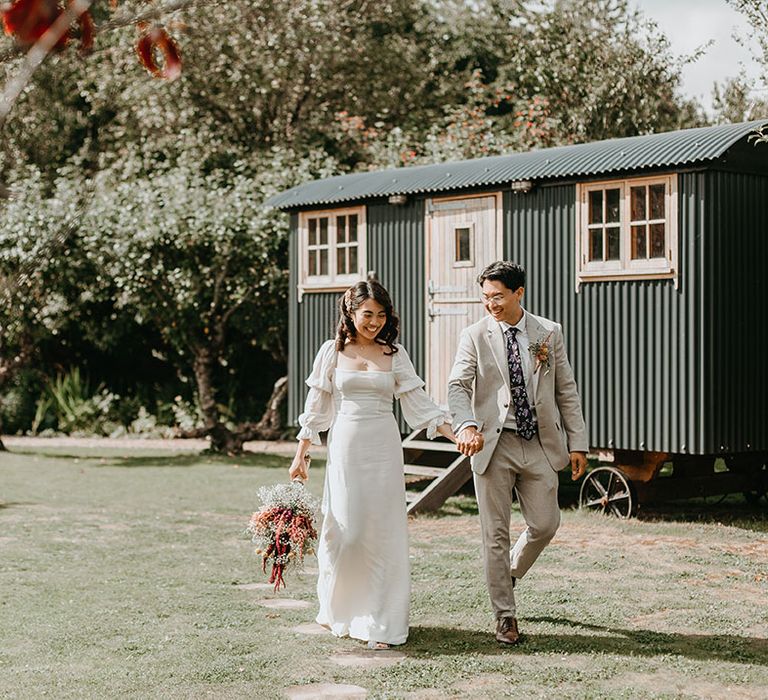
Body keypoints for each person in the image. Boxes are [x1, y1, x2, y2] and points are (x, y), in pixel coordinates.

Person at [289, 279, 454, 649]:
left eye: (381, 315)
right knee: (346, 532)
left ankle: (381, 622)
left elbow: (420, 405)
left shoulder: (395, 354)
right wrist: (301, 455)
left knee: (382, 533)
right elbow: (316, 408)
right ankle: (339, 610)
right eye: (368, 314)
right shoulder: (332, 352)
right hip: (346, 445)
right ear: (350, 312)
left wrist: (455, 434)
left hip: (383, 445)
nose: (375, 322)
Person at [447, 261, 588, 645]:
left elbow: (566, 390)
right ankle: (504, 616)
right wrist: (466, 425)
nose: (490, 303)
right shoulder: (474, 335)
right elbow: (458, 385)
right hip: (494, 445)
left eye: (497, 296)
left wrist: (578, 443)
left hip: (540, 443)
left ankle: (508, 572)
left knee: (546, 524)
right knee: (495, 533)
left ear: (518, 293)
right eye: (485, 297)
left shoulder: (548, 333)